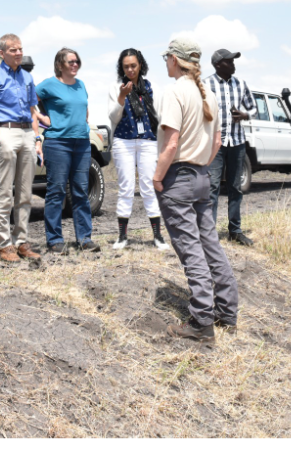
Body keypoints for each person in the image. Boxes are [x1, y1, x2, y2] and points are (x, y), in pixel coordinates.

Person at [152, 37, 235, 342]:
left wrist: (158, 178)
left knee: (191, 251)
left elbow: (171, 143)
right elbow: (216, 142)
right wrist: (202, 165)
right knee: (210, 244)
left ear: (175, 59)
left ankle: (202, 321)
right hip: (202, 176)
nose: (165, 63)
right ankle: (227, 312)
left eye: (167, 58)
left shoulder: (174, 93)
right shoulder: (208, 95)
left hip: (179, 178)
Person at [0, 34, 44, 264]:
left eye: (20, 49)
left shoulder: (27, 77)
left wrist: (37, 139)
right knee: (4, 193)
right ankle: (4, 244)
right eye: (13, 50)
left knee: (25, 193)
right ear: (2, 53)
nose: (18, 53)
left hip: (27, 133)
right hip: (4, 132)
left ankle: (21, 241)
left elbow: (33, 110)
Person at [37, 47, 97, 252]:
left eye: (77, 61)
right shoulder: (49, 85)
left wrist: (84, 123)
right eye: (71, 61)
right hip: (57, 143)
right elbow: (29, 101)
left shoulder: (81, 85)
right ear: (60, 64)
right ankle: (54, 240)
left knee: (80, 191)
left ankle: (85, 239)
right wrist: (43, 119)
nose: (75, 64)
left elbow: (84, 107)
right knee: (57, 191)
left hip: (81, 143)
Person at [105, 48, 165, 251]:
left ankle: (157, 236)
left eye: (133, 65)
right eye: (126, 66)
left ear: (140, 65)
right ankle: (122, 237)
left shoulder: (152, 87)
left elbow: (160, 116)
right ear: (121, 68)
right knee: (126, 187)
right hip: (124, 141)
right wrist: (122, 97)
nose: (130, 70)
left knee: (149, 185)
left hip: (148, 140)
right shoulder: (116, 88)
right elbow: (113, 117)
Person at [207, 48, 255, 245]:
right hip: (214, 144)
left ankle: (235, 230)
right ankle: (209, 234)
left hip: (237, 141)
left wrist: (244, 114)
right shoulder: (205, 84)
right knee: (212, 187)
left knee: (235, 187)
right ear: (218, 65)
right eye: (229, 61)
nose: (233, 64)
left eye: (233, 61)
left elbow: (253, 107)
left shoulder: (241, 84)